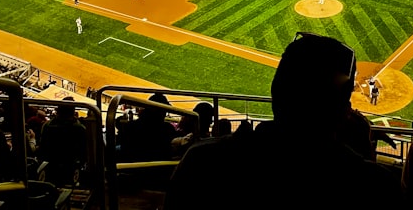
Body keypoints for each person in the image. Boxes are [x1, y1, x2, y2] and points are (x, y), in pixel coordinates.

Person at [165, 33, 400, 205]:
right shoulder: (376, 187)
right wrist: (364, 149)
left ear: (276, 91)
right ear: (341, 112)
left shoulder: (201, 162)